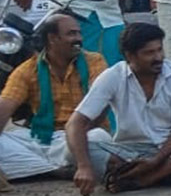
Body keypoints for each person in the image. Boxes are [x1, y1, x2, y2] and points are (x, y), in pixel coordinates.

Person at [66, 21, 171, 195]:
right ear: (130, 56)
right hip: (128, 151)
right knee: (74, 147)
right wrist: (83, 167)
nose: (158, 57)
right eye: (149, 53)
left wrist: (156, 161)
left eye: (159, 50)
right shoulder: (113, 76)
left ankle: (145, 179)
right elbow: (74, 123)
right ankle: (168, 173)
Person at [0, 12, 109, 184]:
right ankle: (55, 171)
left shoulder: (94, 61)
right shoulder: (27, 69)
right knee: (4, 140)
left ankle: (39, 169)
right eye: (71, 34)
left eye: (79, 33)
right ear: (52, 38)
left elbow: (102, 104)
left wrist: (77, 136)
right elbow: (5, 106)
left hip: (79, 136)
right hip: (41, 138)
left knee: (98, 139)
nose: (79, 38)